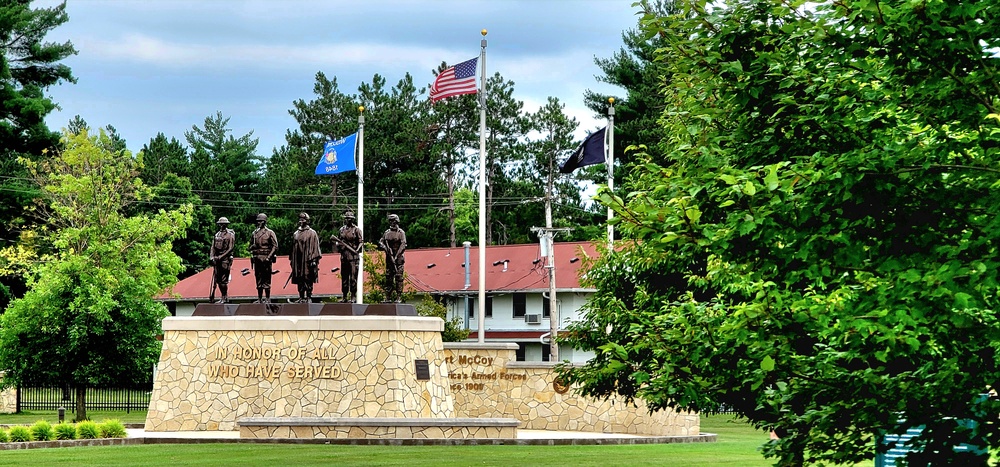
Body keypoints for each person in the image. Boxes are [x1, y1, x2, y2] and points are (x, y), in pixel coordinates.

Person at [290, 212, 321, 303]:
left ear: (307, 221)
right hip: (298, 259)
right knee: (299, 277)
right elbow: (292, 248)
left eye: (303, 220)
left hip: (308, 259)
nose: (301, 222)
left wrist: (314, 259)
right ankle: (301, 296)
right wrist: (292, 259)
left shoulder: (312, 233)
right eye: (300, 220)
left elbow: (315, 247)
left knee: (307, 277)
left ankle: (308, 296)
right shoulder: (296, 233)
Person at [333, 210, 363, 303]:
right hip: (344, 256)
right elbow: (337, 241)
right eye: (346, 218)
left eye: (349, 219)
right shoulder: (341, 229)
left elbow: (361, 242)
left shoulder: (356, 230)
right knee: (344, 278)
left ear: (352, 219)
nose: (347, 220)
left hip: (353, 258)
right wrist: (339, 245)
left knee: (353, 278)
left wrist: (356, 251)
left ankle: (353, 297)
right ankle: (345, 296)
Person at [249, 213, 278, 303]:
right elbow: (249, 247)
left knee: (266, 278)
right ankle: (260, 298)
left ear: (264, 222)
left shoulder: (270, 232)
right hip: (257, 258)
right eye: (258, 221)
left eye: (260, 221)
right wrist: (252, 246)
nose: (259, 223)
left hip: (266, 258)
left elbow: (275, 246)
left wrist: (269, 257)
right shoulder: (254, 233)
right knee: (258, 278)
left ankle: (268, 298)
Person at [378, 213, 406, 303]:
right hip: (389, 259)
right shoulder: (387, 233)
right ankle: (388, 297)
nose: (391, 223)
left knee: (399, 278)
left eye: (392, 221)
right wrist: (384, 247)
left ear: (396, 221)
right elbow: (381, 242)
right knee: (389, 278)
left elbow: (403, 244)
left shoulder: (401, 233)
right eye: (390, 221)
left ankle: (398, 296)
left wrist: (397, 255)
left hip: (398, 259)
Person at [209, 216, 235, 303]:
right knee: (218, 280)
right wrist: (212, 257)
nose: (222, 225)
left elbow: (230, 248)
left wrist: (221, 257)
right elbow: (213, 247)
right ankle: (222, 297)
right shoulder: (217, 235)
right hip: (217, 259)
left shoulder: (230, 235)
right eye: (220, 224)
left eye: (223, 224)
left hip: (225, 260)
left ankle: (225, 297)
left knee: (224, 280)